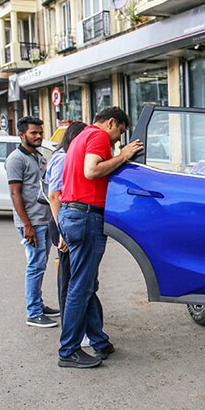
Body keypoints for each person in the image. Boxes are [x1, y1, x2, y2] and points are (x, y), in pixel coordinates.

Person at [57, 107, 143, 368]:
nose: (118, 140)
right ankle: (68, 350)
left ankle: (98, 340)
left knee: (86, 283)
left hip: (72, 214)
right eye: (119, 133)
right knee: (81, 286)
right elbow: (92, 171)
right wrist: (124, 156)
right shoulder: (98, 136)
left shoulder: (80, 137)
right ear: (111, 122)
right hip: (85, 217)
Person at [5, 116, 61, 328]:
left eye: (40, 132)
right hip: (31, 222)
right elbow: (15, 193)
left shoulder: (37, 156)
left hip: (44, 219)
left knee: (40, 264)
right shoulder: (15, 159)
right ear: (22, 135)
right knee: (35, 266)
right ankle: (33, 312)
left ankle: (38, 304)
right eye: (33, 133)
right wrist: (26, 224)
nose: (39, 136)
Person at [45, 121, 87, 319]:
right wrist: (62, 231)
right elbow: (54, 196)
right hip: (62, 221)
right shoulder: (63, 159)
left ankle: (71, 321)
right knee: (68, 277)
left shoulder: (62, 156)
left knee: (69, 274)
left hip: (64, 220)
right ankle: (69, 323)